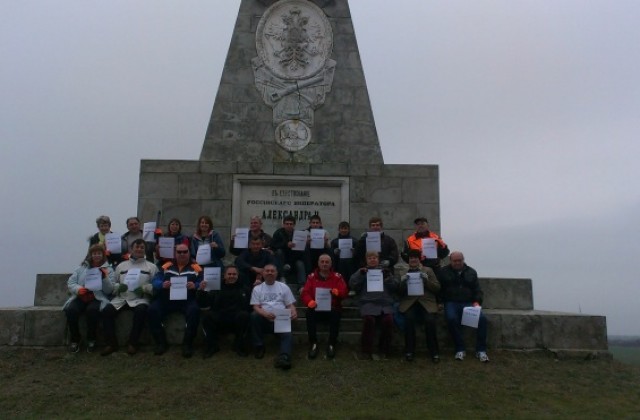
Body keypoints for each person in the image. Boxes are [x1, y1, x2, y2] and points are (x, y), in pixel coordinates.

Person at [101, 239, 158, 356]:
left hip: (140, 299)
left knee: (141, 311)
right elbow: (113, 283)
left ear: (145, 249)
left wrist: (145, 288)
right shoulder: (121, 266)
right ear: (131, 249)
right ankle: (111, 344)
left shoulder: (151, 267)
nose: (139, 249)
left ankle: (133, 343)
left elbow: (156, 286)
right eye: (136, 247)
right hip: (121, 298)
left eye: (142, 247)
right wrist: (118, 287)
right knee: (106, 311)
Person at [149, 243, 202, 358]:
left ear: (189, 252)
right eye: (179, 252)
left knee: (194, 311)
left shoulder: (196, 267)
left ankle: (187, 344)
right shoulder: (166, 266)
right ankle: (161, 343)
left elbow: (202, 282)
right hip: (166, 298)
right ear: (174, 253)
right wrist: (162, 284)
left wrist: (196, 285)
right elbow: (155, 281)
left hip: (187, 299)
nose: (182, 254)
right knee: (153, 309)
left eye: (185, 252)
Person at [62, 244, 115, 353]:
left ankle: (91, 339)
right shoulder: (81, 268)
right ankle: (75, 339)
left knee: (92, 311)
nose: (96, 256)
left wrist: (104, 278)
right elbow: (71, 282)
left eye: (99, 253)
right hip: (81, 297)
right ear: (90, 255)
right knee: (71, 310)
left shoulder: (109, 270)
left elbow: (109, 290)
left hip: (97, 297)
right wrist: (78, 289)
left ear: (103, 255)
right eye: (94, 253)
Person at [439, 251, 489, 362]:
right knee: (451, 319)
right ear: (450, 261)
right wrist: (439, 302)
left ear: (463, 260)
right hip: (451, 302)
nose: (457, 263)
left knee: (482, 319)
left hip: (468, 303)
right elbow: (439, 289)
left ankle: (481, 350)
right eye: (454, 261)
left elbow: (477, 290)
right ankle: (460, 348)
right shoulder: (443, 272)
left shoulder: (471, 272)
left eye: (459, 260)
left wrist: (477, 301)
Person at [349, 251, 398, 359]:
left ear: (378, 259)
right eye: (370, 258)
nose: (372, 259)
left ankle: (384, 350)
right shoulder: (361, 271)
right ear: (366, 260)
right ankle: (366, 350)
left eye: (374, 257)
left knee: (388, 320)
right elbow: (352, 284)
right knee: (369, 320)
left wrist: (387, 278)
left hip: (384, 303)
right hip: (368, 302)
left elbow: (395, 286)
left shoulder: (386, 271)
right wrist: (360, 275)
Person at [300, 254, 348, 359]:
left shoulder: (337, 277)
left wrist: (338, 293)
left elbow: (344, 292)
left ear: (331, 264)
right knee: (309, 313)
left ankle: (331, 344)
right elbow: (305, 293)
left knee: (336, 314)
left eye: (327, 262)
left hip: (332, 308)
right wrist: (309, 301)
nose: (324, 264)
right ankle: (313, 343)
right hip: (316, 308)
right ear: (318, 263)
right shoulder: (311, 277)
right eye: (322, 262)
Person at [250, 264, 297, 370]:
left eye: (272, 271)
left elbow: (290, 305)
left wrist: (294, 311)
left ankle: (284, 356)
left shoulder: (283, 287)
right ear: (263, 273)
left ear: (276, 273)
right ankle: (259, 346)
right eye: (267, 271)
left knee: (287, 333)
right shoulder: (257, 288)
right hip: (264, 320)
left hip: (280, 319)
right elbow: (255, 307)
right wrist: (264, 314)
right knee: (254, 316)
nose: (270, 273)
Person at [397, 249, 441, 362]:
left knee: (430, 321)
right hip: (410, 302)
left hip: (426, 302)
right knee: (409, 319)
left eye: (415, 257)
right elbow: (398, 292)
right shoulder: (403, 272)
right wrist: (402, 283)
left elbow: (437, 288)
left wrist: (426, 281)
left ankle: (434, 352)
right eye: (411, 258)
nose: (413, 260)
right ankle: (409, 351)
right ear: (408, 260)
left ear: (419, 259)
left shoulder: (428, 270)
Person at [197, 265, 250, 358]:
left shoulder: (244, 289)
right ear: (224, 275)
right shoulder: (216, 288)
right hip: (220, 317)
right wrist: (201, 290)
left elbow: (249, 306)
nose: (232, 276)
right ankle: (212, 346)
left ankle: (239, 345)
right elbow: (204, 303)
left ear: (238, 276)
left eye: (234, 274)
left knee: (244, 315)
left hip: (236, 318)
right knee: (207, 317)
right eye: (229, 274)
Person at [270, 215, 306, 286]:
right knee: (279, 252)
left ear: (294, 225)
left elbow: (301, 251)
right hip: (281, 258)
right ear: (283, 224)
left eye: (291, 224)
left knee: (300, 263)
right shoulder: (278, 233)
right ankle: (282, 277)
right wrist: (286, 245)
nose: (289, 226)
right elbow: (273, 246)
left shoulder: (298, 234)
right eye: (287, 224)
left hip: (294, 258)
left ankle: (302, 285)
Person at [330, 221, 357, 286]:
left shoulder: (355, 241)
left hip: (351, 264)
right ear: (339, 230)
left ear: (349, 229)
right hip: (339, 264)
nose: (343, 230)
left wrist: (355, 252)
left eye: (345, 228)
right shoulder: (334, 241)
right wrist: (334, 252)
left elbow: (358, 255)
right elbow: (330, 255)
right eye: (342, 228)